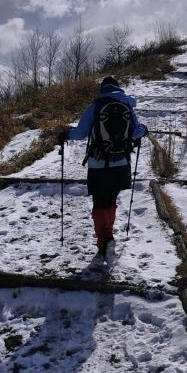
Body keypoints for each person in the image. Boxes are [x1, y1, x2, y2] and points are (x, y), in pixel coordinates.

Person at [59, 76, 148, 259]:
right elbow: (137, 131)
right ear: (118, 88)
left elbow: (80, 133)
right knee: (111, 201)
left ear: (102, 89)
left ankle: (105, 241)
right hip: (122, 163)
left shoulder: (95, 107)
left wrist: (65, 134)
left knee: (99, 203)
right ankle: (107, 239)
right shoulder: (128, 107)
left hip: (98, 165)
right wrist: (144, 129)